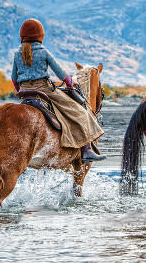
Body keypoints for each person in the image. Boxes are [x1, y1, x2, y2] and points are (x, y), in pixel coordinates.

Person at [11, 19, 105, 163]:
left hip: (24, 92)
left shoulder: (17, 54)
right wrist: (69, 82)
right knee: (80, 111)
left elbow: (14, 79)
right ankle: (86, 151)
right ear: (40, 35)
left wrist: (21, 91)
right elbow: (60, 73)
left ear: (22, 35)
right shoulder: (43, 52)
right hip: (44, 90)